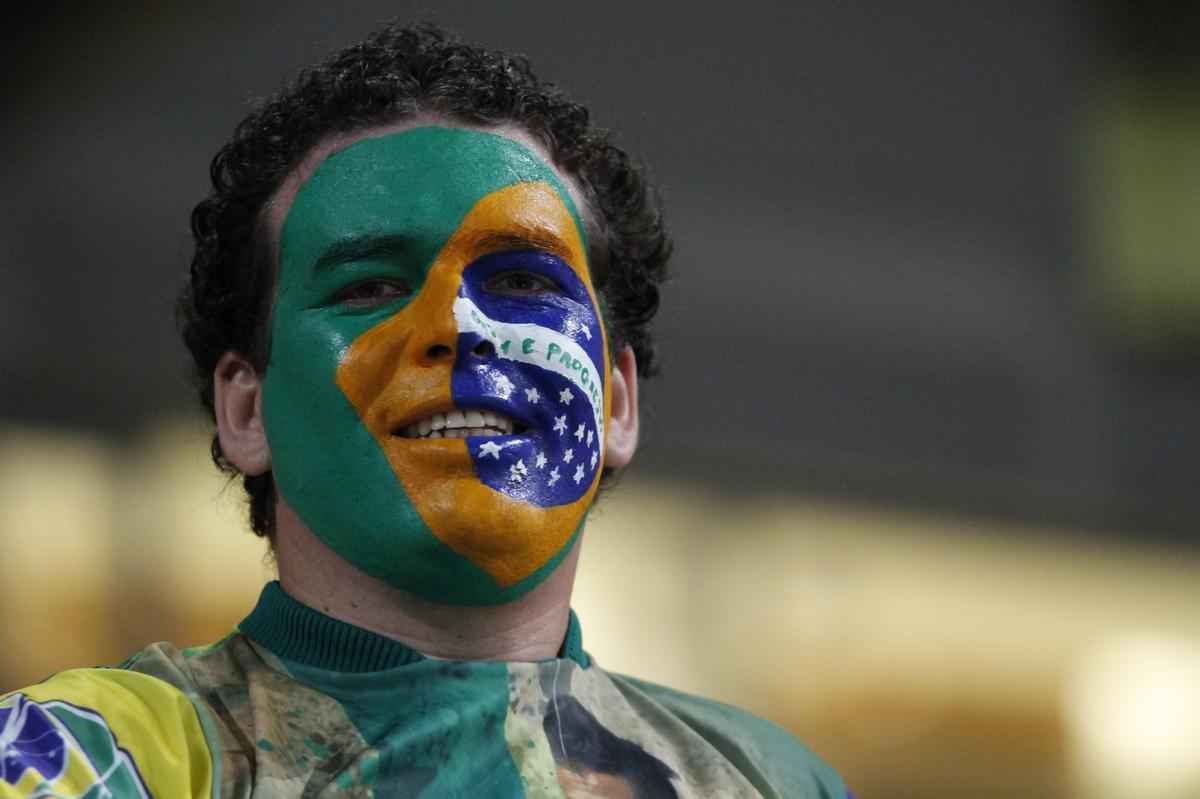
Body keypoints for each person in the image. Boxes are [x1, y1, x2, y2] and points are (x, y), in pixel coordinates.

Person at [0, 22, 851, 798]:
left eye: (522, 282)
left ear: (617, 401)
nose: (457, 328)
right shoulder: (82, 759)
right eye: (369, 286)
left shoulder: (775, 781)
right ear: (246, 410)